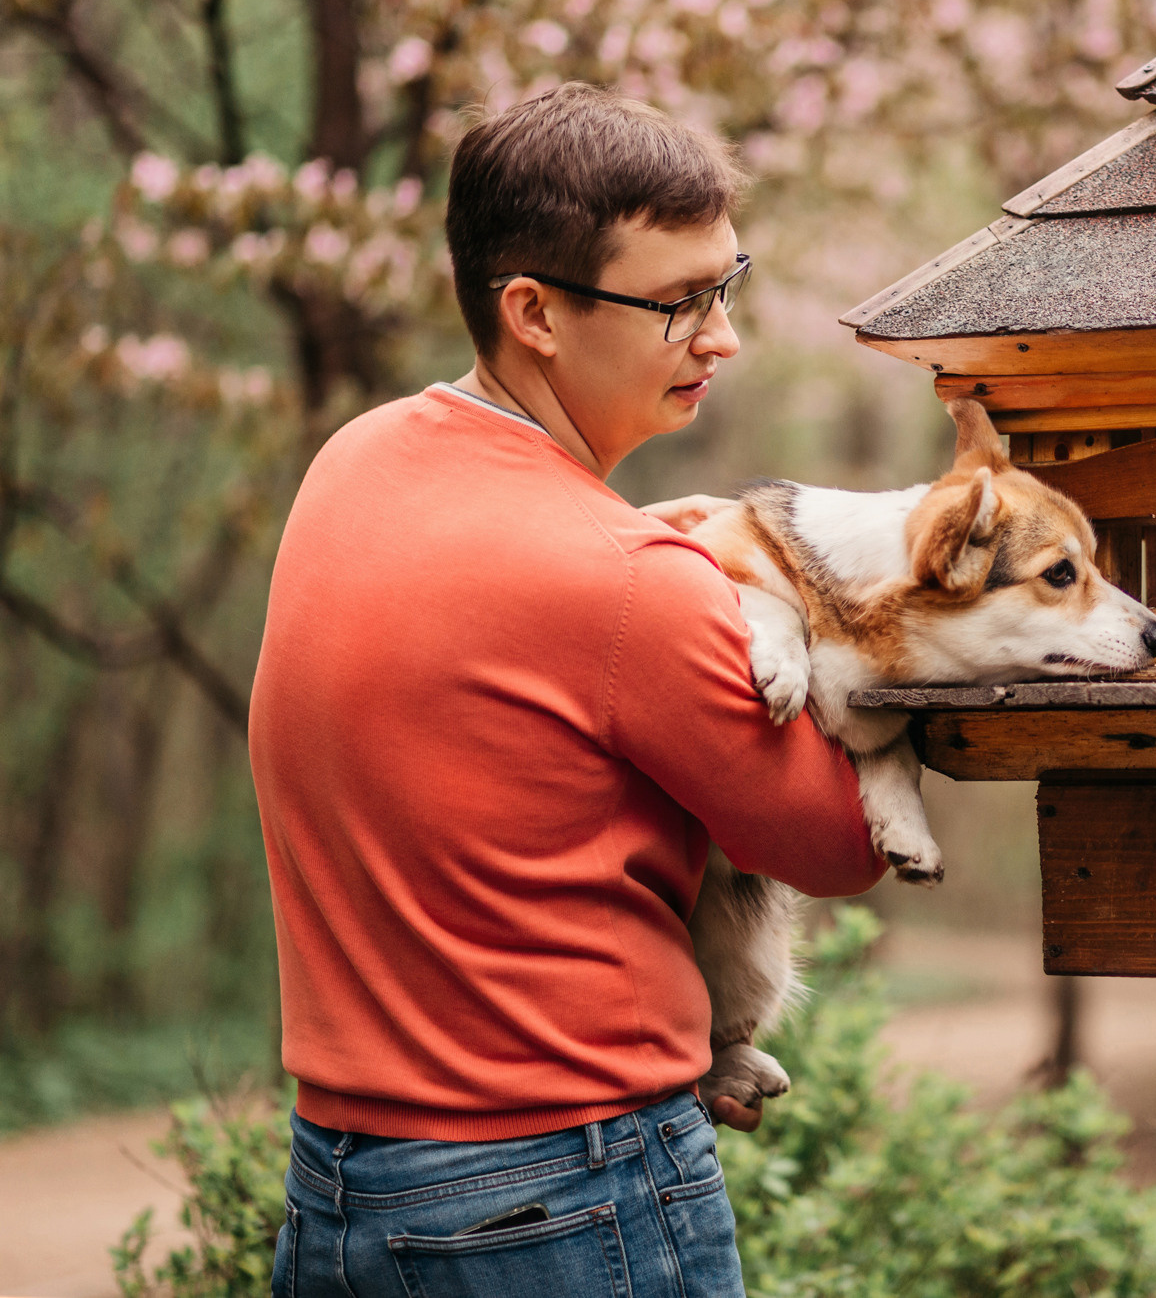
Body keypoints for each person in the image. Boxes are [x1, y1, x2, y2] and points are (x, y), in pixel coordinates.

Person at [248, 83, 883, 1298]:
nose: (722, 336)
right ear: (531, 311)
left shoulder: (355, 462)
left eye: (726, 283)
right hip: (558, 1198)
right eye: (675, 303)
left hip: (341, 1184)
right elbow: (842, 841)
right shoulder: (629, 576)